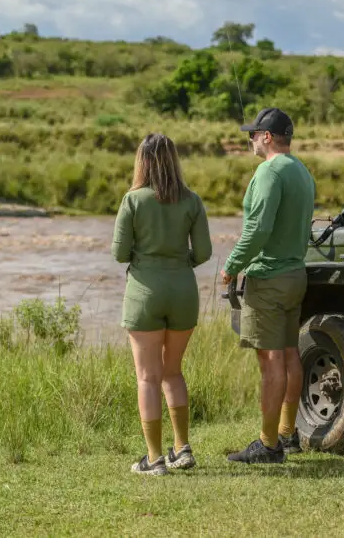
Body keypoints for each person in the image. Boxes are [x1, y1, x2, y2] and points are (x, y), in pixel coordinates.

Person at [112, 132, 213, 476]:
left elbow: (118, 253)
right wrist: (177, 260)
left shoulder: (133, 200)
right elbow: (204, 253)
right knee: (172, 372)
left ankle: (154, 458)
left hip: (145, 293)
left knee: (147, 377)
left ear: (142, 161)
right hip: (183, 291)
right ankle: (182, 449)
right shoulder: (192, 201)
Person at [221, 107, 315, 464]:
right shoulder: (302, 172)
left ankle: (268, 444)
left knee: (271, 359)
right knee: (290, 353)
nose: (249, 140)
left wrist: (232, 266)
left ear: (267, 137)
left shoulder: (269, 171)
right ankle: (288, 434)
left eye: (252, 134)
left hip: (270, 278)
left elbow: (258, 230)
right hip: (296, 276)